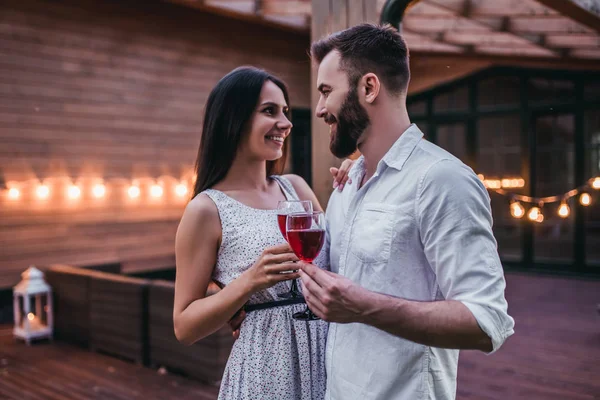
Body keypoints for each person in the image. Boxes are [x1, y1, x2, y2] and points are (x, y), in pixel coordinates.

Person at [298, 24, 515, 400]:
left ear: (369, 88)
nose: (319, 109)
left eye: (326, 92)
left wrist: (363, 306)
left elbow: (487, 321)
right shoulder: (346, 186)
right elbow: (326, 284)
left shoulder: (442, 180)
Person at [172, 66, 351, 400]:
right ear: (232, 119)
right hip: (266, 373)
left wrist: (356, 179)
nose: (286, 123)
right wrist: (248, 282)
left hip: (332, 359)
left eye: (284, 112)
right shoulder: (206, 210)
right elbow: (184, 326)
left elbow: (341, 258)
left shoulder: (296, 188)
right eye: (270, 111)